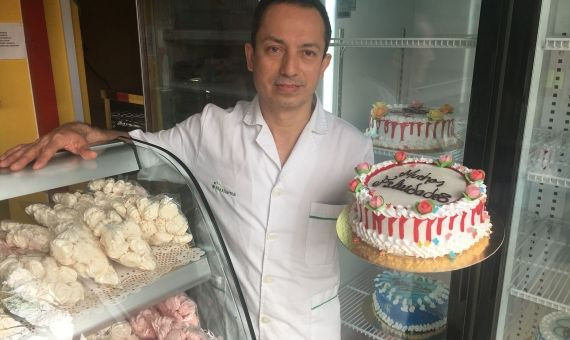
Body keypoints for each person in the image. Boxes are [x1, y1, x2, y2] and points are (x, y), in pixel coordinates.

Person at [0, 0, 373, 338]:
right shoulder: (212, 130)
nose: (289, 68)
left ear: (324, 63)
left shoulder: (352, 149)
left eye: (307, 53)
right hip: (225, 325)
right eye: (274, 49)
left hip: (308, 330)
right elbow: (145, 148)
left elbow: (376, 231)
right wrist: (83, 131)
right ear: (251, 56)